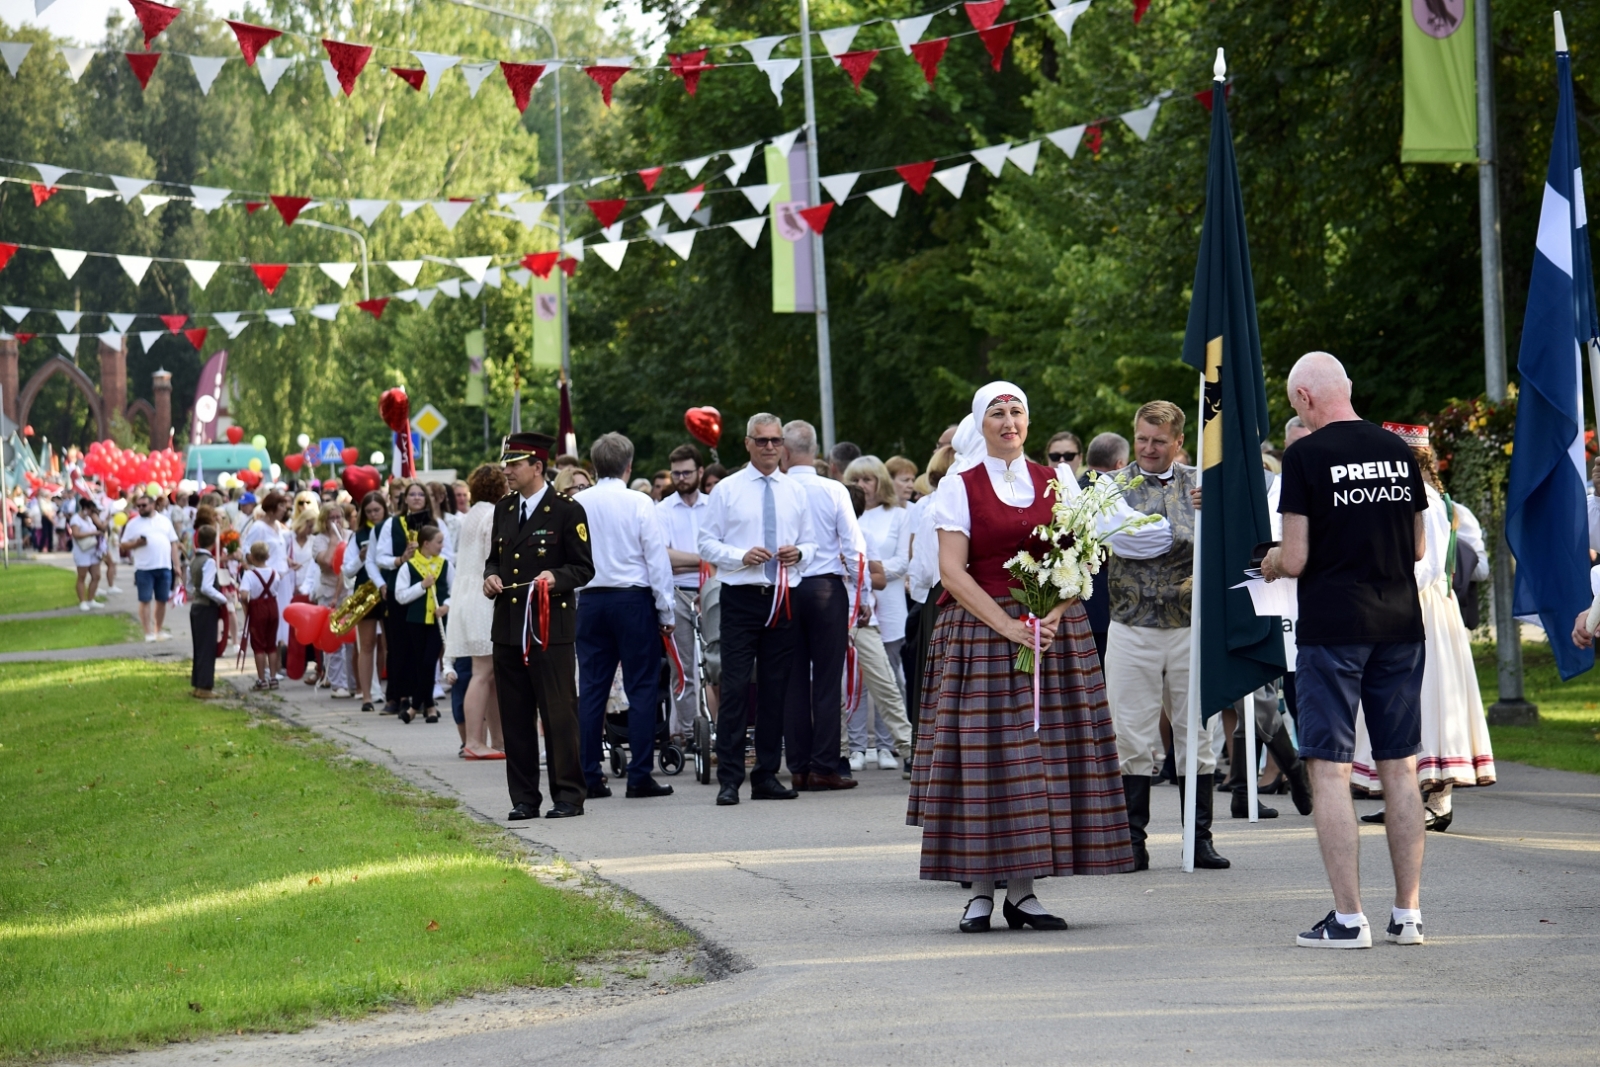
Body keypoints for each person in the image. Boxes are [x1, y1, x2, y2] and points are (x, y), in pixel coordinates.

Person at [908, 382, 1134, 933]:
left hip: (1050, 630)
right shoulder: (960, 486)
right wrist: (1008, 623)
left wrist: (1054, 611)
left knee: (1039, 757)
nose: (1008, 421)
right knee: (986, 759)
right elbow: (952, 571)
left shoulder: (1056, 479)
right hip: (984, 630)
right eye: (996, 413)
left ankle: (1025, 894)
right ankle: (980, 894)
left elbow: (1082, 554)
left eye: (1017, 412)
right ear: (978, 424)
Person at [1262, 351, 1429, 949]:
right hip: (1400, 625)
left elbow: (1298, 558)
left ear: (1305, 399)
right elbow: (1415, 546)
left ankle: (1348, 918)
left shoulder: (1305, 455)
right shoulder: (1398, 450)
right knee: (1400, 767)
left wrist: (1270, 560)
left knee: (1329, 770)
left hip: (1334, 628)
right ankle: (1408, 914)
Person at [1097, 401, 1228, 870]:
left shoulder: (1204, 482)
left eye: (1159, 441)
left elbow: (1227, 540)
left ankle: (1200, 839)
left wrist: (1210, 515)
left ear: (1178, 442)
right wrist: (1186, 528)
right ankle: (1132, 842)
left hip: (1190, 625)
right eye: (1142, 439)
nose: (1149, 449)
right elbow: (1128, 539)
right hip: (1132, 625)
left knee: (1198, 732)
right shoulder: (1112, 486)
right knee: (1130, 735)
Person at [1351, 423, 1495, 832]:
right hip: (1424, 606)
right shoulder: (1419, 497)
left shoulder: (1427, 500)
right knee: (1411, 700)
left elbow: (1427, 566)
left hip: (1424, 607)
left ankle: (1436, 801)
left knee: (1429, 698)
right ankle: (1409, 799)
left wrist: (1383, 587)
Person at [697, 413, 817, 805]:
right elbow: (706, 543)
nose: (769, 447)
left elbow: (813, 545)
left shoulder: (796, 491)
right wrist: (739, 555)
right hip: (740, 596)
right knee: (733, 689)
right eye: (761, 441)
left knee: (775, 689)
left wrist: (799, 553)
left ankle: (766, 773)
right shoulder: (728, 490)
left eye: (775, 441)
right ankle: (729, 778)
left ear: (783, 445)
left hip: (782, 596)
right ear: (747, 443)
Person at [484, 432, 594, 820]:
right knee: (515, 715)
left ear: (537, 467)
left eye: (514, 464)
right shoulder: (504, 508)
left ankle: (568, 795)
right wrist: (490, 577)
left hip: (549, 627)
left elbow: (583, 567)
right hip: (509, 627)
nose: (507, 471)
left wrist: (555, 577)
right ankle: (524, 798)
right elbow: (495, 558)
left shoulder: (566, 509)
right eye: (506, 464)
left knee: (558, 712)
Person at [573, 433, 676, 799]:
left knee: (591, 689)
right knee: (643, 686)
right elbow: (656, 559)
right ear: (629, 467)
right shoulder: (639, 502)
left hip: (590, 600)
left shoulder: (578, 502)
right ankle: (639, 774)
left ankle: (588, 774)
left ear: (594, 465)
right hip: (632, 600)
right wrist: (665, 608)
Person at [779, 420, 864, 791]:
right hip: (827, 587)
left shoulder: (775, 490)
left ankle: (798, 764)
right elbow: (854, 547)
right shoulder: (833, 490)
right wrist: (862, 594)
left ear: (783, 449)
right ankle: (824, 765)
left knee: (792, 680)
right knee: (828, 681)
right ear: (815, 450)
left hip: (786, 588)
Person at [843, 455, 915, 774]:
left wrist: (867, 577)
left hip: (881, 606)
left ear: (879, 482)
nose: (862, 486)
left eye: (867, 479)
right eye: (856, 481)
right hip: (847, 608)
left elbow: (898, 564)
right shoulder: (847, 521)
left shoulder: (895, 516)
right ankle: (854, 747)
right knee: (851, 681)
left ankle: (894, 745)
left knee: (888, 677)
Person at [444, 464, 506, 760]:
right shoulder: (492, 514)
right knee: (483, 673)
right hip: (484, 598)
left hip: (466, 596)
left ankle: (497, 740)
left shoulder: (472, 514)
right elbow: (494, 556)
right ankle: (474, 741)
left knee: (489, 674)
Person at [375, 482, 450, 716]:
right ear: (404, 499)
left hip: (432, 590)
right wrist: (401, 559)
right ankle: (398, 695)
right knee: (400, 646)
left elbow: (447, 555)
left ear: (426, 498)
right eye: (412, 494)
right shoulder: (393, 523)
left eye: (420, 494)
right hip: (404, 586)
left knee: (426, 650)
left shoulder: (436, 523)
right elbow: (381, 557)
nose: (417, 498)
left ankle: (424, 701)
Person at [656, 443, 709, 741]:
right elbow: (663, 556)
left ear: (700, 472)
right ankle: (689, 734)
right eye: (676, 473)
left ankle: (721, 730)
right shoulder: (662, 510)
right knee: (683, 669)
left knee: (717, 667)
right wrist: (704, 559)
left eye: (687, 472)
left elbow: (724, 552)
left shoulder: (715, 505)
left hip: (713, 593)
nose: (681, 478)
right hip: (676, 594)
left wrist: (685, 560)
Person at [905, 444, 955, 752]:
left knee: (937, 678)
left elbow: (921, 568)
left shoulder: (929, 506)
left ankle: (927, 750)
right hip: (961, 591)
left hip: (938, 594)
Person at [1078, 433, 1130, 663]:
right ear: (1120, 465)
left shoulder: (1067, 491)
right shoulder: (1117, 496)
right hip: (1108, 606)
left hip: (1071, 605)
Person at [393, 525, 451, 724]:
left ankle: (412, 708)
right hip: (416, 622)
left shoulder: (445, 564)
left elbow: (455, 591)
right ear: (426, 544)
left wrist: (446, 607)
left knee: (429, 662)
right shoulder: (408, 566)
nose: (442, 546)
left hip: (437, 622)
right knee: (421, 665)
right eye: (439, 542)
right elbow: (400, 596)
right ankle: (430, 706)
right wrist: (421, 586)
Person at [343, 491, 390, 712]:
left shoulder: (391, 529)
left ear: (384, 509)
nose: (373, 514)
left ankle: (388, 691)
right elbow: (347, 570)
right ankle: (367, 696)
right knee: (367, 644)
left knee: (389, 644)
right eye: (369, 511)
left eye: (377, 510)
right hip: (366, 591)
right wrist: (361, 557)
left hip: (390, 590)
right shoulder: (358, 534)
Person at [120, 493, 180, 643]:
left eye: (144, 505)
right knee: (145, 599)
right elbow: (123, 544)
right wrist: (135, 545)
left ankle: (158, 630)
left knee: (162, 600)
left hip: (164, 565)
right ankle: (148, 632)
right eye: (138, 506)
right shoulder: (133, 523)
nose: (140, 508)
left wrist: (177, 565)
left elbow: (173, 543)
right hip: (144, 567)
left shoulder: (164, 521)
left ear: (152, 505)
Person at [189, 525, 229, 699]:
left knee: (199, 647)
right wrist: (223, 599)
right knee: (207, 648)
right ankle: (205, 687)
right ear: (214, 542)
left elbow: (190, 584)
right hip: (206, 607)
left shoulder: (194, 559)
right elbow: (207, 587)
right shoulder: (209, 561)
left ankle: (198, 684)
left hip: (196, 606)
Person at [241, 541, 281, 689]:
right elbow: (276, 587)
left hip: (258, 607)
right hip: (272, 606)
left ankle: (261, 680)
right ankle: (273, 677)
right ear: (268, 556)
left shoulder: (249, 575)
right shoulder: (274, 573)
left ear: (251, 557)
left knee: (258, 645)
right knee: (271, 644)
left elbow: (244, 595)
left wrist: (245, 605)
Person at [68, 497, 106, 611]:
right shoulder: (76, 519)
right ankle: (82, 601)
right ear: (85, 509)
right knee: (82, 576)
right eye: (91, 511)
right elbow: (76, 534)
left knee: (96, 576)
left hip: (93, 550)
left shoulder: (89, 519)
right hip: (82, 551)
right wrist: (93, 533)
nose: (92, 513)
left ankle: (91, 599)